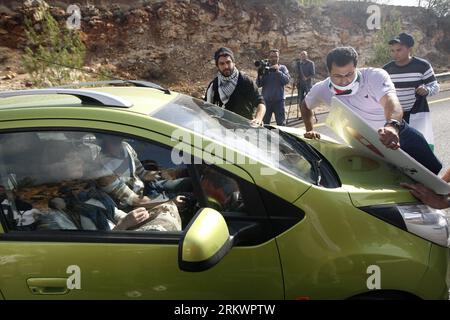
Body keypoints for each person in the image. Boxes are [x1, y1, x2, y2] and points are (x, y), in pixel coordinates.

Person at [300, 46, 442, 175]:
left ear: (356, 67)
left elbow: (391, 103)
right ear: (328, 72)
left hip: (396, 132)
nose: (344, 81)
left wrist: (392, 126)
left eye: (349, 74)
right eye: (337, 76)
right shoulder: (321, 88)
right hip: (363, 142)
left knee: (432, 170)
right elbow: (305, 106)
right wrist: (310, 129)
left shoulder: (375, 76)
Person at [95, 134, 191, 210]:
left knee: (191, 183)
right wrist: (171, 202)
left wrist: (162, 174)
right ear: (102, 140)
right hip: (135, 206)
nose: (119, 140)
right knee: (188, 198)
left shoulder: (126, 147)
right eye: (112, 139)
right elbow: (135, 201)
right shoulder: (103, 171)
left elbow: (142, 173)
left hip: (149, 188)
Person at [383, 32, 440, 149]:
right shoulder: (386, 69)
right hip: (394, 115)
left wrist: (427, 90)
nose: (395, 54)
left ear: (409, 49)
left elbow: (435, 86)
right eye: (392, 51)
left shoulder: (422, 65)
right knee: (396, 145)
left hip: (416, 113)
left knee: (418, 145)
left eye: (399, 50)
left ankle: (421, 166)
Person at [205, 47, 266, 126]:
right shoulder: (214, 85)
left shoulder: (245, 81)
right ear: (217, 66)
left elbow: (261, 102)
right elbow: (206, 107)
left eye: (228, 62)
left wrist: (258, 119)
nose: (226, 66)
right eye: (222, 64)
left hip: (244, 128)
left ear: (234, 63)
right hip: (222, 130)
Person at [257, 49, 291, 126]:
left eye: (276, 56)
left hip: (279, 102)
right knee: (264, 125)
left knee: (281, 125)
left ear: (278, 58)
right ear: (269, 57)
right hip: (266, 101)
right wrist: (260, 74)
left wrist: (278, 72)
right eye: (272, 57)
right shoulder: (265, 68)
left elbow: (287, 81)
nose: (274, 58)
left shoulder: (282, 68)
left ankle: (282, 138)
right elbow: (258, 84)